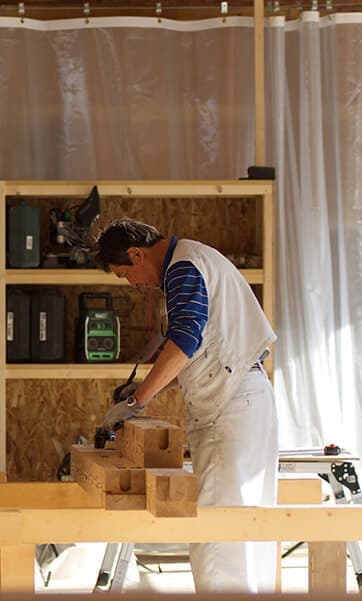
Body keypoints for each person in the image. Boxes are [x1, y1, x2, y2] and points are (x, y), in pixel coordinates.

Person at [96, 219, 278, 593]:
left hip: (231, 407)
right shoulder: (196, 259)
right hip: (246, 397)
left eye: (124, 274)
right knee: (246, 530)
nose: (133, 284)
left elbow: (185, 337)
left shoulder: (182, 267)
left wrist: (136, 400)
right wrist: (148, 389)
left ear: (136, 254)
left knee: (219, 534)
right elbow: (199, 345)